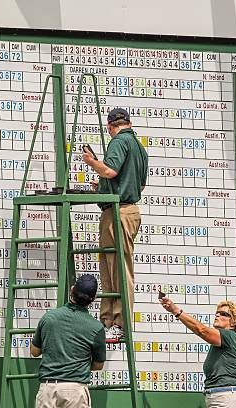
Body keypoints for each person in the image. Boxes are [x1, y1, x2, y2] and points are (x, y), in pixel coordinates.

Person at [83, 107, 148, 342]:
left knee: (118, 270)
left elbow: (110, 171)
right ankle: (109, 321)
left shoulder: (119, 142)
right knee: (113, 268)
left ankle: (118, 323)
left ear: (110, 126)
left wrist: (92, 162)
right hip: (128, 209)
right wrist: (103, 187)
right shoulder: (139, 148)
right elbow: (138, 186)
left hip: (118, 211)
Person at [30, 274, 106, 408]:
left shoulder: (49, 318)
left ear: (72, 290)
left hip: (48, 388)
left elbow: (34, 351)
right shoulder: (97, 328)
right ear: (93, 299)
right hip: (76, 391)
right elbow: (98, 365)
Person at [160, 296, 236, 408]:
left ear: (234, 322)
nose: (217, 315)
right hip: (223, 397)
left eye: (223, 314)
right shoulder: (227, 341)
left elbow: (201, 330)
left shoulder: (229, 336)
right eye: (217, 313)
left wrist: (175, 310)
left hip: (226, 398)